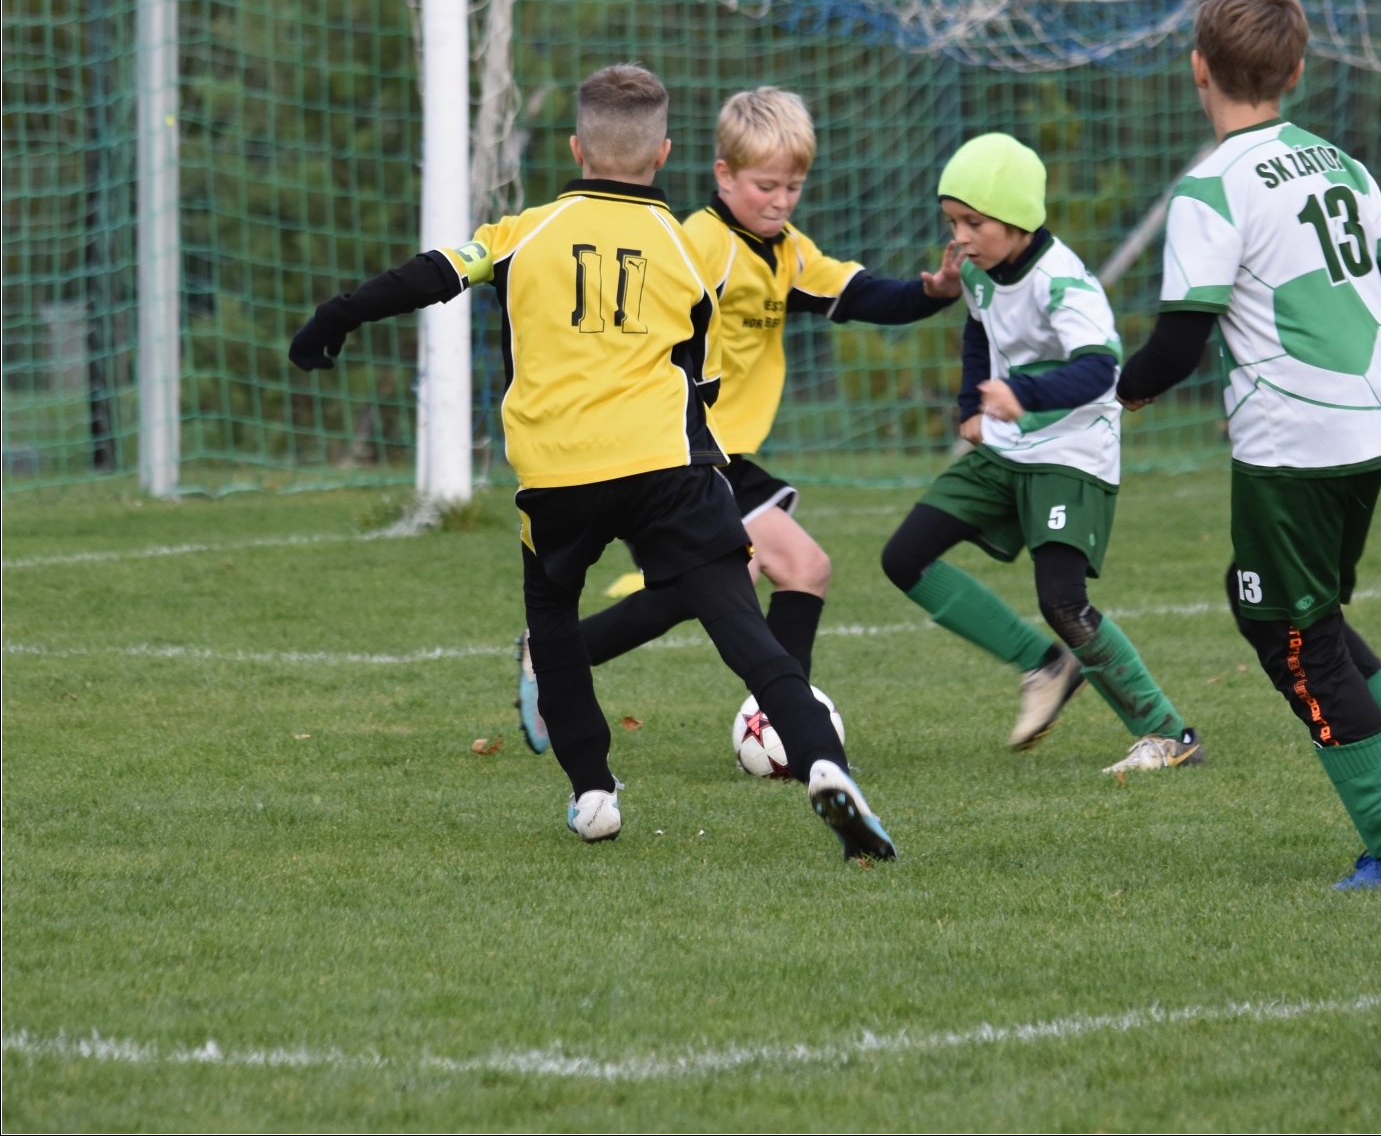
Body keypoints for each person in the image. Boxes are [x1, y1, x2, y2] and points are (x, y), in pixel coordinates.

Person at [287, 64, 894, 860]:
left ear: (577, 147)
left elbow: (430, 275)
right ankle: (823, 763)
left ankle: (593, 792)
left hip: (558, 475)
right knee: (741, 624)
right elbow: (702, 382)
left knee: (553, 621)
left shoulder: (524, 231)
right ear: (664, 154)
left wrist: (334, 319)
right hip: (665, 468)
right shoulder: (686, 251)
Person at [1117, 0, 1381, 888]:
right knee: (1288, 610)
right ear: (1294, 72)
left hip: (1293, 446)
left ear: (1198, 69)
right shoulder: (1336, 163)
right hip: (1367, 431)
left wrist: (1117, 393)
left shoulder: (1214, 187)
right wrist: (1365, 383)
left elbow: (1179, 341)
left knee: (1298, 641)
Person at [510, 88, 959, 752]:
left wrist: (931, 293)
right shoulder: (700, 242)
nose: (780, 202)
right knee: (795, 566)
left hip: (719, 454)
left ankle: (555, 652)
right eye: (765, 186)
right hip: (679, 450)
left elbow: (858, 293)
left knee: (765, 576)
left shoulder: (787, 251)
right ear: (724, 174)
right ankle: (789, 730)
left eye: (793, 188)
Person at [879, 133, 1203, 773]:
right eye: (952, 222)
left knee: (1063, 601)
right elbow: (978, 330)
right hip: (1009, 447)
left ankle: (1170, 736)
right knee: (904, 557)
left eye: (974, 223)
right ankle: (1045, 664)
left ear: (1018, 217)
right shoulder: (977, 272)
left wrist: (1021, 395)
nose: (961, 237)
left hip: (1072, 452)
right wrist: (971, 407)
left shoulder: (1064, 282)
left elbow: (1100, 368)